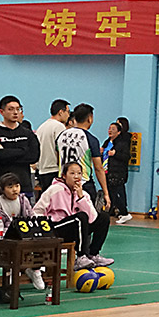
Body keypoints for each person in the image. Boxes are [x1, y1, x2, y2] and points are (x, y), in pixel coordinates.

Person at [56, 104, 113, 266]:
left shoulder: (61, 136)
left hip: (62, 185)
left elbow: (57, 157)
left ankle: (82, 256)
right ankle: (86, 255)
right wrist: (106, 192)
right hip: (84, 185)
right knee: (89, 219)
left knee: (72, 219)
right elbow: (98, 168)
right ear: (90, 118)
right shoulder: (90, 139)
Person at [32, 162, 103, 270]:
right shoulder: (54, 190)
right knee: (80, 217)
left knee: (103, 218)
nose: (76, 176)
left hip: (75, 227)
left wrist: (81, 198)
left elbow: (93, 218)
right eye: (72, 173)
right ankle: (81, 256)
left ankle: (93, 254)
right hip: (55, 228)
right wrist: (44, 228)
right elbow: (37, 211)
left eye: (79, 173)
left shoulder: (83, 193)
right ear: (64, 176)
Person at [0, 172, 46, 290]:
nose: (15, 189)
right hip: (4, 238)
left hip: (24, 236)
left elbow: (31, 218)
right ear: (2, 189)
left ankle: (35, 270)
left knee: (41, 241)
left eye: (17, 186)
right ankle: (10, 272)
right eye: (10, 187)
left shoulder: (24, 201)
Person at [0, 96, 41, 200]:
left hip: (23, 186)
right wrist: (23, 151)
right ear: (2, 112)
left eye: (18, 109)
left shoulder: (27, 133)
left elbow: (34, 156)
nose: (15, 112)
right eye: (11, 109)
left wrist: (6, 152)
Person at [34, 100, 70, 191]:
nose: (68, 115)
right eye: (68, 112)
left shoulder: (41, 127)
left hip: (42, 171)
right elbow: (61, 149)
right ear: (61, 112)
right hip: (54, 170)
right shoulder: (59, 126)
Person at [103, 118, 132, 223]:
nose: (110, 131)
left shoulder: (122, 142)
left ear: (119, 132)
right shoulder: (108, 142)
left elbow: (126, 156)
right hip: (107, 170)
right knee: (111, 193)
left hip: (118, 172)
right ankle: (115, 212)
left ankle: (124, 212)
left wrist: (115, 154)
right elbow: (103, 152)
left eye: (113, 129)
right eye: (109, 128)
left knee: (116, 193)